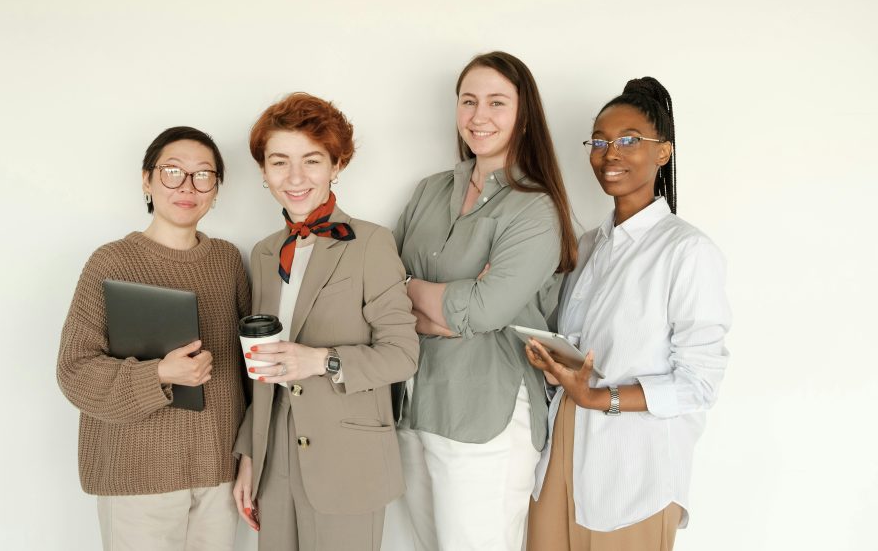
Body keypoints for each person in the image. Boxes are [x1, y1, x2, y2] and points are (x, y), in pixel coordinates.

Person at [525, 77, 731, 551]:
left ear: (663, 153)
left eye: (628, 140)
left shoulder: (688, 252)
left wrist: (601, 398)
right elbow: (583, 350)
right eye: (599, 141)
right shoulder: (590, 245)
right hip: (564, 447)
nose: (609, 153)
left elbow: (700, 382)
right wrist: (556, 365)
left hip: (635, 468)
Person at [394, 51, 578, 551]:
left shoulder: (535, 208)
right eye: (468, 101)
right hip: (416, 405)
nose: (480, 116)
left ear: (523, 115)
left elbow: (486, 311)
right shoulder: (429, 191)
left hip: (487, 416)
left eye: (497, 102)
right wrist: (452, 305)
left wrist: (421, 293)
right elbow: (384, 297)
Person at [232, 92, 419, 551]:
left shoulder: (371, 244)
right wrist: (250, 455)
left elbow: (402, 356)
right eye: (279, 162)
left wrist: (321, 361)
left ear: (337, 165)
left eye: (311, 160)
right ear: (263, 171)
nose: (295, 178)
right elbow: (259, 370)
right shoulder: (263, 253)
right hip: (274, 461)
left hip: (349, 462)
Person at [56, 126, 249, 551]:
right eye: (172, 172)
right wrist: (160, 373)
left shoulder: (228, 261)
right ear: (147, 179)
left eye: (203, 175)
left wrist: (250, 456)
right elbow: (74, 370)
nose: (187, 186)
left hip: (218, 472)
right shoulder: (111, 261)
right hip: (137, 475)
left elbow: (250, 371)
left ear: (216, 188)